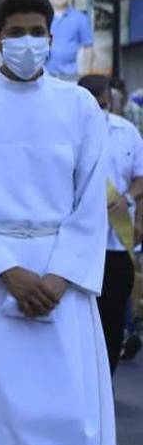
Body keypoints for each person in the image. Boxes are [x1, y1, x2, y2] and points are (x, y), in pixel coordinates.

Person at [0, 0, 113, 445]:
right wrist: (8, 272)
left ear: (52, 39)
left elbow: (91, 202)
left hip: (63, 279)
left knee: (71, 411)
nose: (28, 42)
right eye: (16, 33)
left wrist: (58, 278)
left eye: (37, 33)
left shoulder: (78, 107)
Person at [74, 74, 143, 376]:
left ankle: (106, 379)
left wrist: (129, 200)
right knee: (77, 321)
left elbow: (141, 178)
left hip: (116, 244)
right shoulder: (67, 133)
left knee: (112, 320)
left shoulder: (127, 132)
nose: (100, 110)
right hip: (76, 246)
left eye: (104, 104)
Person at [45, 0, 93, 82]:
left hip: (70, 77)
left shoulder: (80, 18)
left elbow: (88, 46)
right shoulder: (43, 18)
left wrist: (86, 75)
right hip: (46, 75)